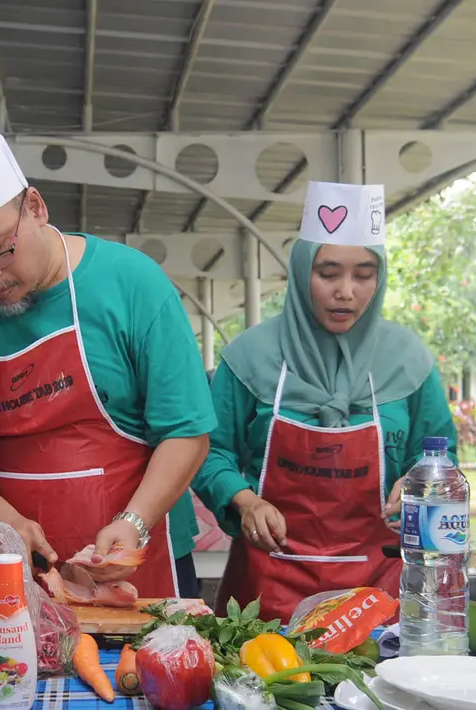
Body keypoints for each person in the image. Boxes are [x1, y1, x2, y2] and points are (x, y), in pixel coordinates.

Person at [0, 18, 214, 598]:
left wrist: (133, 522)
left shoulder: (132, 284)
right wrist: (3, 523)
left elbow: (187, 431)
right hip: (9, 561)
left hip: (138, 552)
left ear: (35, 205)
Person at [192, 181, 457, 620]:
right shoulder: (249, 356)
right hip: (268, 587)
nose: (346, 291)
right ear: (300, 273)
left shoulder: (408, 361)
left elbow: (436, 458)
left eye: (364, 274)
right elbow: (208, 450)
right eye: (328, 273)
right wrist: (245, 501)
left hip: (379, 593)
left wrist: (417, 486)